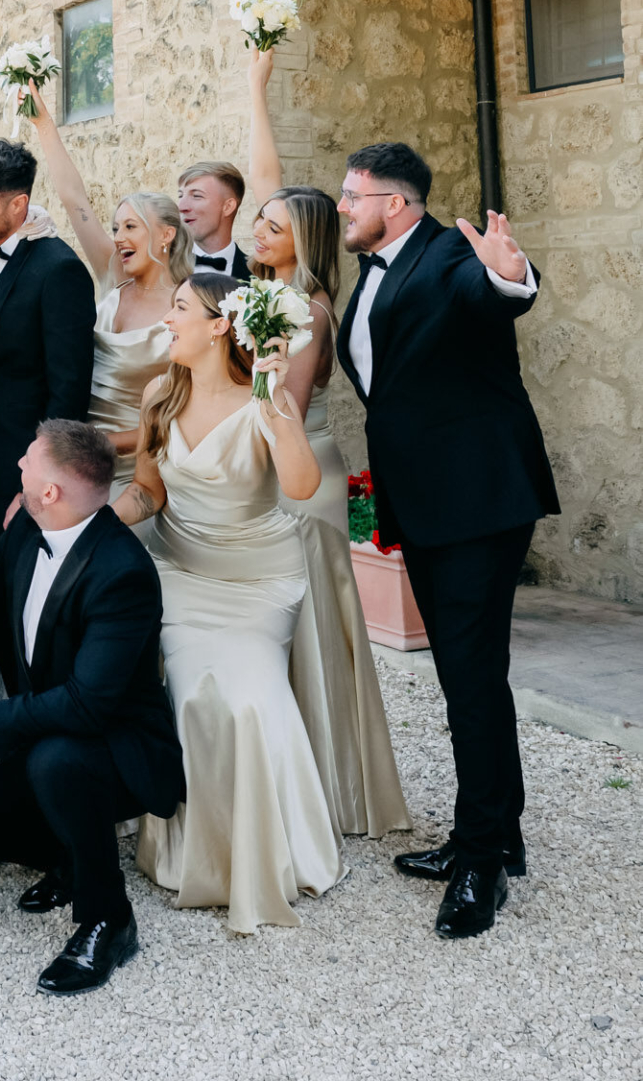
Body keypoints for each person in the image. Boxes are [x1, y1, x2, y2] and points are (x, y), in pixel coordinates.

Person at [335, 142, 558, 940]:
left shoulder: (449, 256)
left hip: (476, 502)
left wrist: (509, 272)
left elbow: (494, 291)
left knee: (468, 679)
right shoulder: (374, 271)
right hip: (428, 501)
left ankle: (480, 863)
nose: (341, 208)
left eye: (352, 196)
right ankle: (503, 834)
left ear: (395, 204)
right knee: (471, 677)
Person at [0, 420, 183, 996]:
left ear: (52, 492)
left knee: (57, 763)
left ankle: (108, 917)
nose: (17, 467)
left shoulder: (123, 573)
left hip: (114, 748)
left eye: (28, 463)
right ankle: (66, 850)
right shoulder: (30, 526)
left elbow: (87, 706)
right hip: (35, 729)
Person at [114, 276, 344, 934]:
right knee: (189, 692)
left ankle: (275, 854)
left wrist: (278, 402)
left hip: (259, 581)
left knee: (249, 699)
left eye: (180, 309)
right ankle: (195, 854)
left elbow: (301, 486)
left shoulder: (262, 401)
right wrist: (94, 523)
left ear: (220, 325)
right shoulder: (160, 394)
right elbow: (146, 493)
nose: (167, 318)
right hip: (182, 574)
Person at [246, 49, 408, 840]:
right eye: (258, 220)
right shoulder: (266, 293)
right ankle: (282, 778)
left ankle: (323, 789)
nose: (257, 230)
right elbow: (270, 175)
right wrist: (256, 87)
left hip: (297, 477)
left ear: (296, 240)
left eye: (272, 225)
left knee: (305, 629)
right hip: (271, 466)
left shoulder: (303, 309)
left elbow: (285, 404)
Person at [24, 85, 190, 495]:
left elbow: (187, 411)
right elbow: (74, 199)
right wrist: (44, 124)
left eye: (131, 226)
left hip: (145, 469)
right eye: (116, 228)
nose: (118, 237)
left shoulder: (190, 303)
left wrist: (98, 445)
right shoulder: (114, 278)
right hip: (81, 464)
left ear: (166, 234)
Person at [0, 138, 96, 537]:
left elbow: (69, 395)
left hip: (20, 466)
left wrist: (31, 485)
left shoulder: (61, 271)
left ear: (18, 205)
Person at [177, 160, 251, 280]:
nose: (181, 207)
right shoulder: (161, 267)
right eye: (180, 196)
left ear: (227, 207)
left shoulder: (260, 276)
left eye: (196, 196)